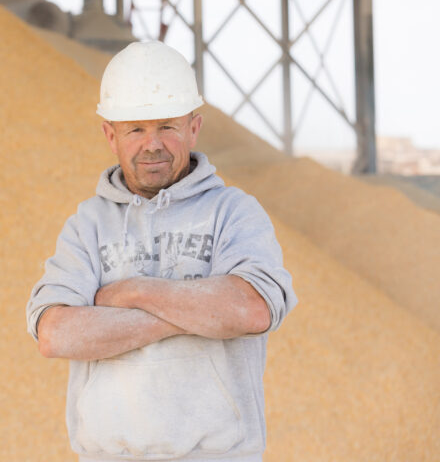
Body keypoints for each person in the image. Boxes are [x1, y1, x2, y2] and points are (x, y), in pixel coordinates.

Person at [25, 40, 298, 462]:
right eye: (135, 128)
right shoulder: (88, 225)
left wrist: (130, 293)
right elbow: (56, 333)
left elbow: (251, 310)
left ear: (194, 127)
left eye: (167, 126)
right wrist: (197, 315)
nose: (152, 144)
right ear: (109, 135)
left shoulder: (234, 212)